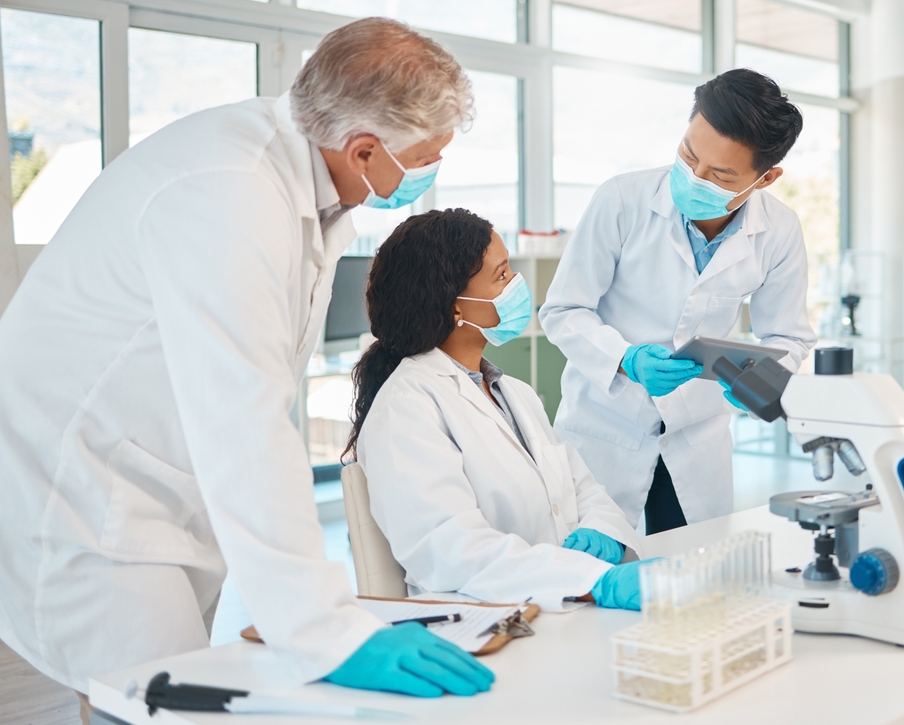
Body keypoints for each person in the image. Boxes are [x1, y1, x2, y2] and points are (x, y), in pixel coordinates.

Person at [0, 18, 494, 709]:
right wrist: (327, 630)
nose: (431, 171)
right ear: (362, 150)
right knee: (161, 696)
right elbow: (243, 417)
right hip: (84, 491)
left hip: (156, 480)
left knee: (164, 690)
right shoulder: (226, 192)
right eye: (427, 157)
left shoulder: (304, 181)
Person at [539, 69, 817, 536]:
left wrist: (761, 380)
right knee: (596, 570)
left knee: (696, 574)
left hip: (697, 433)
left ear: (766, 178)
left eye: (720, 174)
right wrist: (624, 359)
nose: (694, 177)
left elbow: (787, 334)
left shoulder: (780, 230)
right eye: (688, 156)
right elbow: (563, 309)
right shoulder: (622, 199)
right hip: (606, 425)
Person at [350, 208, 649, 612]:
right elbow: (452, 550)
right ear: (455, 306)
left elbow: (582, 488)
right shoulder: (406, 408)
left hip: (556, 606)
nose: (517, 286)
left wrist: (602, 532)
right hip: (481, 620)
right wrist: (591, 580)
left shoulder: (513, 392)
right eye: (502, 275)